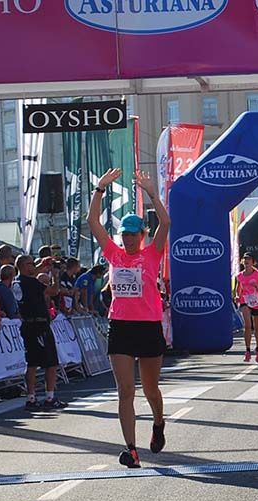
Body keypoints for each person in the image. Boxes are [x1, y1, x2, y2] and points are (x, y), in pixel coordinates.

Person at [87, 168, 170, 469]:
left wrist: (151, 193)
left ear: (142, 235)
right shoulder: (113, 254)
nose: (128, 239)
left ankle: (159, 422)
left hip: (148, 327)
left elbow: (166, 222)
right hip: (120, 326)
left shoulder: (152, 254)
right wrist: (99, 188)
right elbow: (92, 222)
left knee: (150, 389)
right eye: (125, 234)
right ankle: (131, 450)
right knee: (126, 391)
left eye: (133, 234)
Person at [14, 255, 68, 411]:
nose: (34, 266)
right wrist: (55, 275)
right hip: (39, 326)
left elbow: (31, 275)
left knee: (31, 363)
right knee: (51, 363)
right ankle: (49, 397)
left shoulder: (18, 281)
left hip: (28, 325)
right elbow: (53, 291)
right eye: (31, 264)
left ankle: (31, 398)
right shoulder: (30, 282)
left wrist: (43, 266)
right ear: (24, 266)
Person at [235, 252, 258, 363]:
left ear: (253, 262)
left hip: (257, 302)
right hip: (245, 301)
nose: (246, 261)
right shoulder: (239, 276)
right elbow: (238, 289)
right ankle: (247, 350)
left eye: (249, 259)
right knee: (248, 326)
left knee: (257, 327)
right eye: (245, 259)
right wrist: (237, 296)